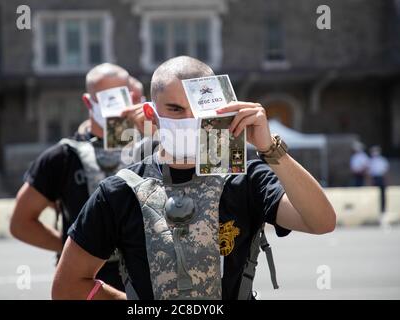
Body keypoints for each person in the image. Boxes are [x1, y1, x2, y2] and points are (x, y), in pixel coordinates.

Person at [52, 56, 336, 300]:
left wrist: (268, 148)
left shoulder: (246, 179)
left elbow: (321, 221)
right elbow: (67, 286)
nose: (189, 120)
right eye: (175, 109)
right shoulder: (120, 190)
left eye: (198, 110)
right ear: (151, 113)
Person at [10, 63, 150, 291]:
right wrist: (77, 246)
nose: (118, 104)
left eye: (123, 94)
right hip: (87, 286)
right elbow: (21, 222)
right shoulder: (63, 157)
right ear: (88, 102)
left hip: (140, 284)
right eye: (108, 97)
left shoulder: (149, 148)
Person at [368, 145, 389, 213]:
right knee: (374, 194)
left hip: (381, 178)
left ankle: (383, 209)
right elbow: (369, 172)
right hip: (374, 178)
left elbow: (385, 171)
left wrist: (386, 180)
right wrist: (371, 181)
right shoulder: (370, 161)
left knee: (382, 194)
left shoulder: (382, 160)